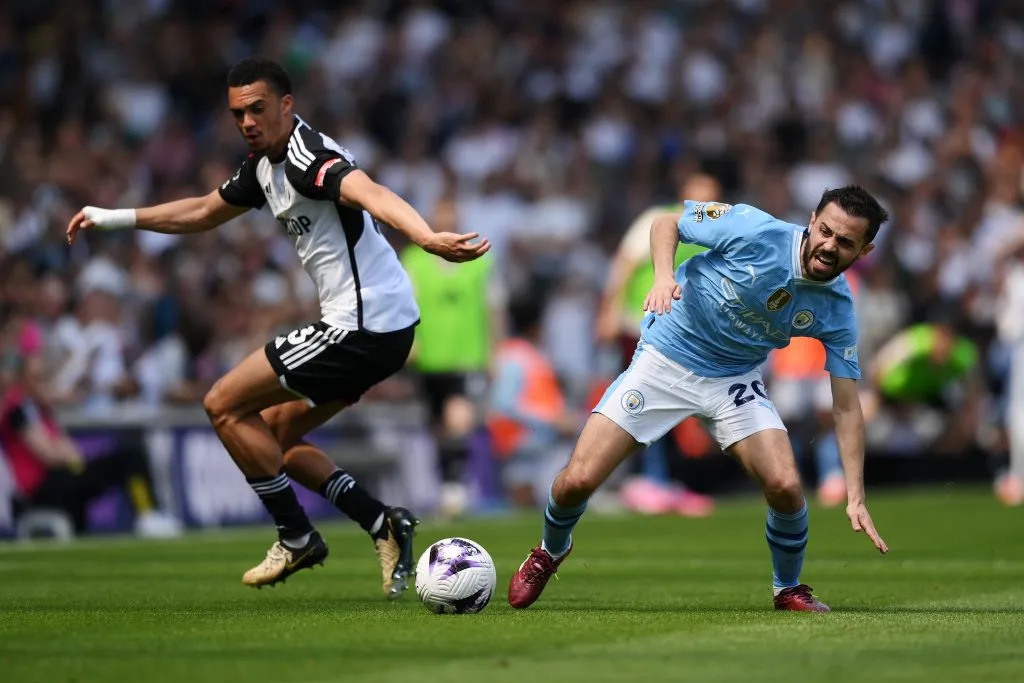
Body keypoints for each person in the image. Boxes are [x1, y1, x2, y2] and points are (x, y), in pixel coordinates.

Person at [66, 57, 490, 596]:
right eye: (237, 113)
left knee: (222, 403)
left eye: (257, 109)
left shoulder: (307, 156)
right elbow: (202, 212)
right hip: (381, 327)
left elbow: (370, 192)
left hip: (364, 326)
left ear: (286, 105)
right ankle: (383, 522)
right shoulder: (262, 166)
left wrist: (425, 237)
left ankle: (296, 536)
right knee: (271, 440)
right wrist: (114, 217)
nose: (247, 121)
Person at [508, 186, 890, 613]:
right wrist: (663, 277)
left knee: (785, 485)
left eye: (845, 242)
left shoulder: (838, 307)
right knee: (577, 480)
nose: (829, 246)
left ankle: (787, 588)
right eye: (825, 231)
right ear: (812, 220)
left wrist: (855, 495)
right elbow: (666, 223)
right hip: (665, 358)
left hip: (733, 379)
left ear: (865, 250)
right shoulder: (755, 229)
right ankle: (550, 550)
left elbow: (846, 407)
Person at [595, 172, 720, 517]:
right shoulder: (657, 219)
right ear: (685, 194)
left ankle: (661, 481)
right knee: (641, 400)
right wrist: (608, 311)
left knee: (670, 405)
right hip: (641, 325)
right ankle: (648, 480)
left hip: (683, 334)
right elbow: (624, 263)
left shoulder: (716, 231)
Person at [400, 195, 506, 516]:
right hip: (430, 358)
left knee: (459, 418)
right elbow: (403, 303)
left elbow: (494, 308)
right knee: (438, 424)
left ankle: (455, 487)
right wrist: (409, 341)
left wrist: (495, 351)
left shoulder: (481, 260)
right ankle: (448, 481)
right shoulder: (413, 260)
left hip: (468, 355)